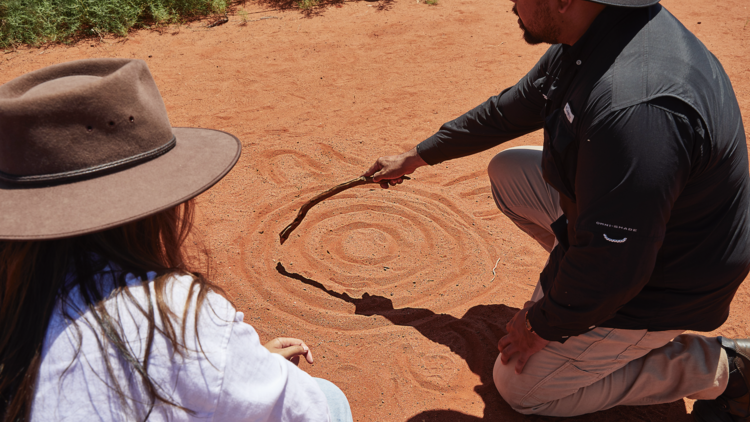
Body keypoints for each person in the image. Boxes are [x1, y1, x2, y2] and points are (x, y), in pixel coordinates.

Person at [363, 0, 750, 420]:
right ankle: (583, 297)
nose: (510, 2)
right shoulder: (600, 31)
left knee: (521, 387)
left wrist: (542, 324)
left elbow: (616, 264)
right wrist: (417, 156)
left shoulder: (633, 108)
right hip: (642, 230)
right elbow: (509, 109)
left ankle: (725, 369)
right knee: (510, 172)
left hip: (668, 276)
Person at [0, 58, 353, 422]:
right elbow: (311, 412)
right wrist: (236, 368)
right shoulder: (175, 314)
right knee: (331, 399)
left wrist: (237, 366)